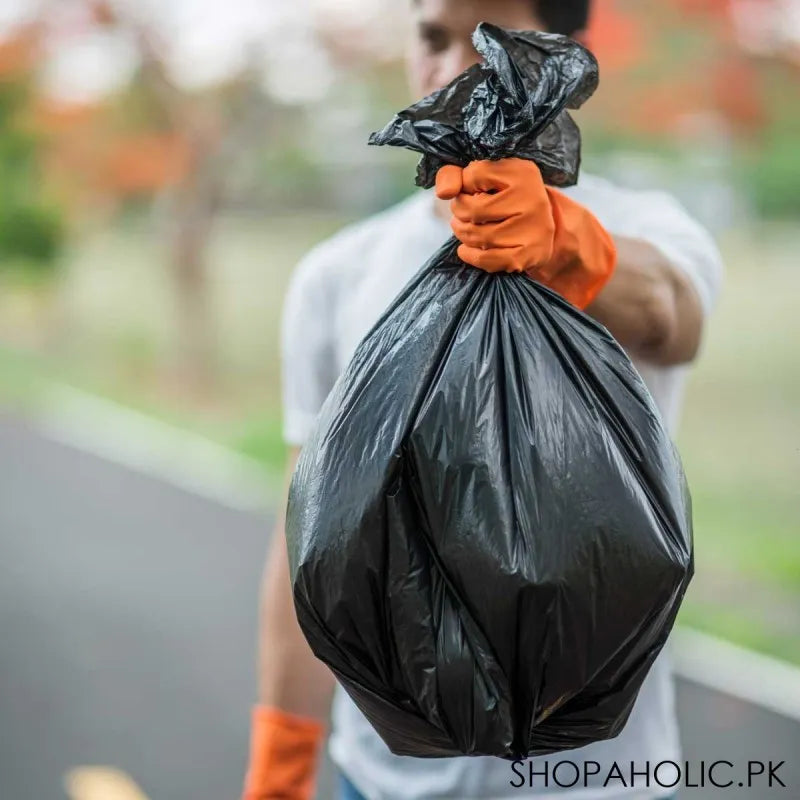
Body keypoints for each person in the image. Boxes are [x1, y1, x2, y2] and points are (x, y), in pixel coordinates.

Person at [241, 1, 724, 799]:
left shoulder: (646, 227)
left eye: (491, 44)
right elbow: (307, 534)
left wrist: (569, 242)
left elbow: (671, 311)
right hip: (382, 779)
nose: (455, 70)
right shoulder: (339, 274)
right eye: (433, 38)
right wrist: (281, 766)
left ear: (564, 55)